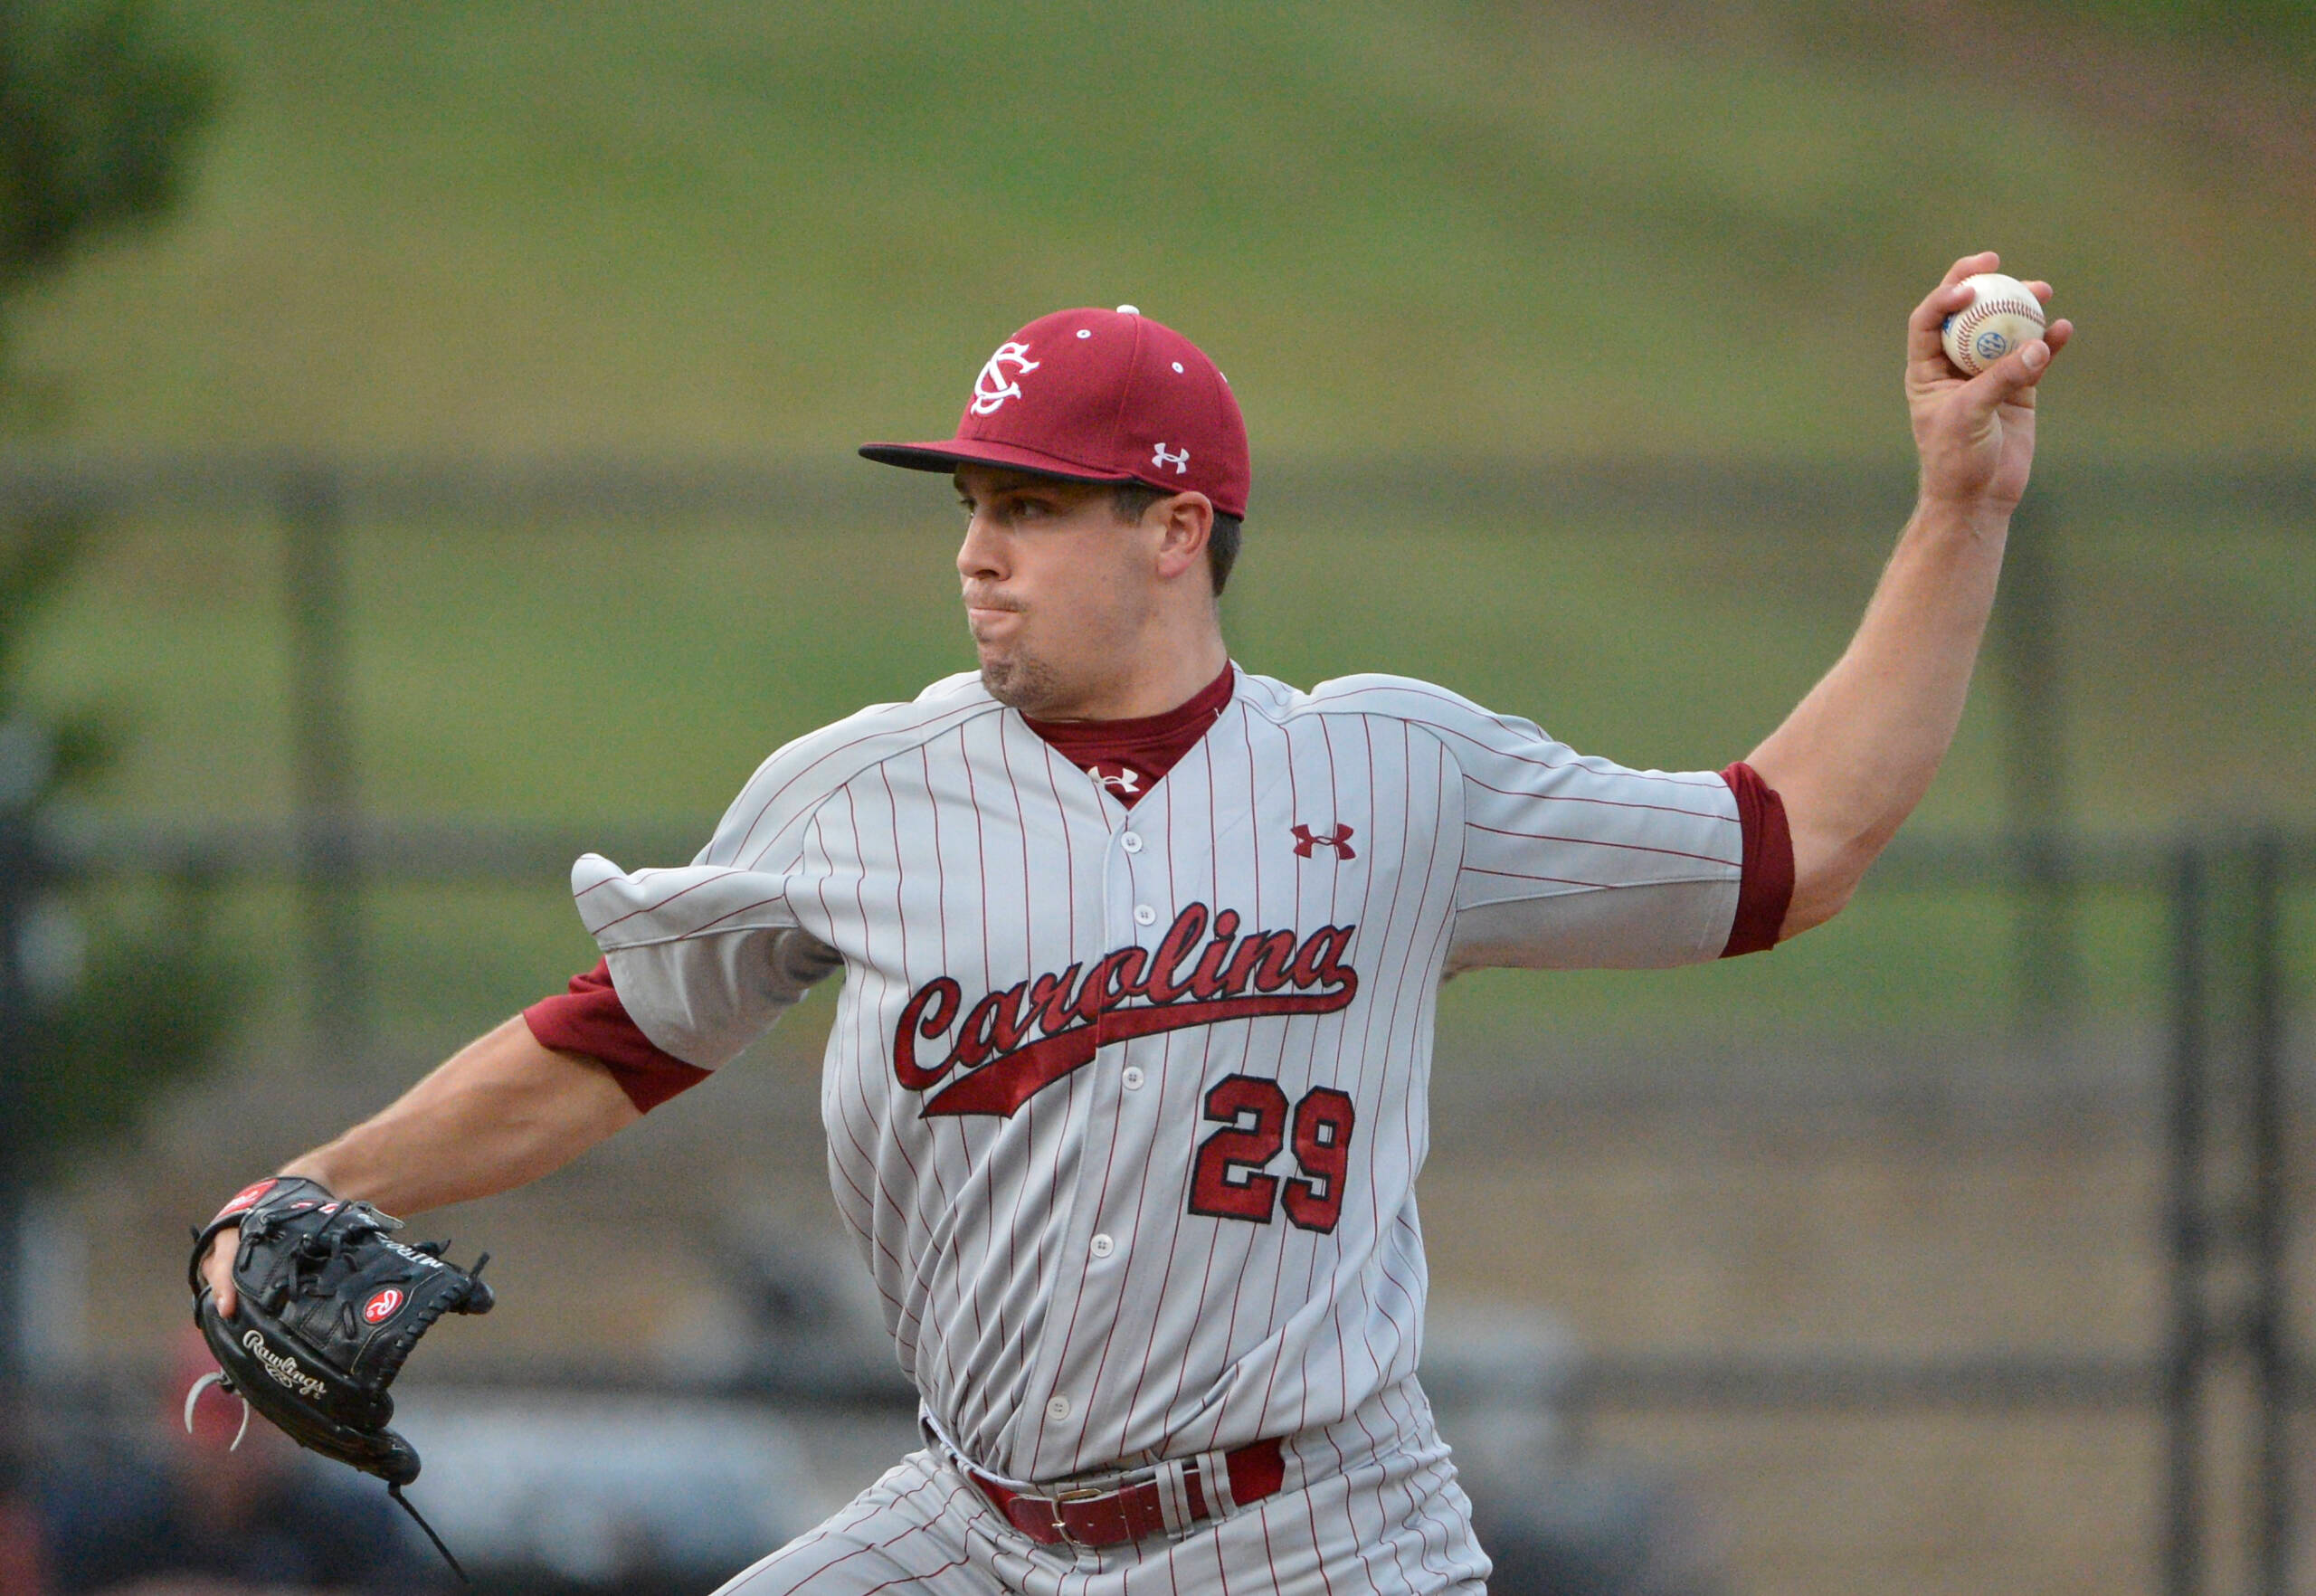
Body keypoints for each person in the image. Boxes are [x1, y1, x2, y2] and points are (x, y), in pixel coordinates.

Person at [199, 255, 2068, 1593]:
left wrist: (1959, 500)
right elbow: (610, 1043)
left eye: (1029, 505)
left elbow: (1796, 843)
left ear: (1174, 530)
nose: (972, 548)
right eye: (968, 505)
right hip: (979, 1524)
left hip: (1321, 1535)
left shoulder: (1398, 780)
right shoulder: (858, 794)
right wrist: (301, 1183)